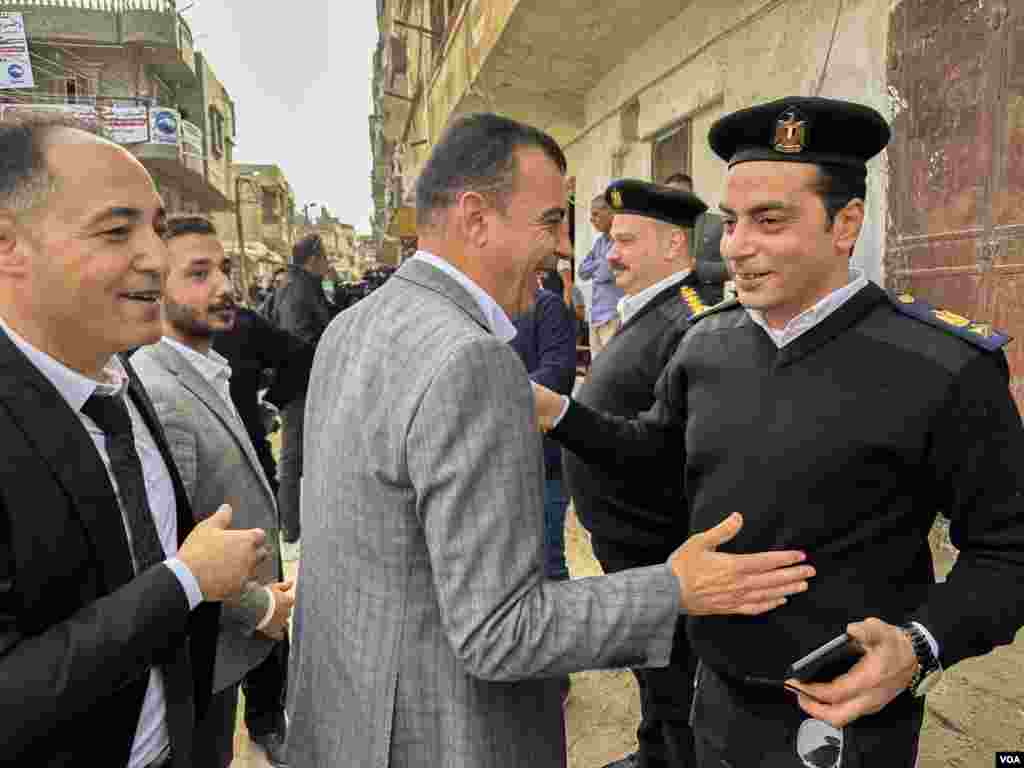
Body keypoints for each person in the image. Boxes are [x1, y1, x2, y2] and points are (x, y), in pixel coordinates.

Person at [285, 112, 815, 768]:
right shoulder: (469, 362)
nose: (565, 248)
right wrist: (673, 588)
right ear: (477, 218)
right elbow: (500, 633)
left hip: (353, 720)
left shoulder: (353, 325)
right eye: (547, 221)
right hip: (442, 734)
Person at [534, 97, 1024, 767]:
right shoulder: (707, 345)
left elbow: (1008, 550)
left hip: (848, 724)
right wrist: (558, 412)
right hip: (716, 700)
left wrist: (920, 645)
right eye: (731, 222)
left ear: (846, 222)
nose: (737, 247)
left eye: (769, 221)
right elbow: (654, 455)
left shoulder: (943, 366)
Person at [0, 118, 268, 767]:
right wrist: (184, 581)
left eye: (157, 226)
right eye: (118, 231)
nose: (155, 257)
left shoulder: (120, 372)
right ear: (9, 246)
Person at [131, 215, 296, 768]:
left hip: (230, 642)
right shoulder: (160, 392)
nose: (225, 286)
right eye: (198, 274)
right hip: (203, 649)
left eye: (223, 269)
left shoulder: (204, 370)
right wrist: (259, 606)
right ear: (156, 287)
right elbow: (170, 550)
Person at [569, 179, 715, 768]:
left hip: (661, 544)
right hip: (630, 540)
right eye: (610, 241)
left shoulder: (693, 320)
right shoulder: (654, 309)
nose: (610, 255)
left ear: (675, 245)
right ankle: (655, 751)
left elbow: (681, 448)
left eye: (625, 240)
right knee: (653, 669)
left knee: (676, 675)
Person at [271, 233, 333, 547]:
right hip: (301, 387)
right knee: (294, 457)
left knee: (303, 455)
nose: (329, 263)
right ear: (313, 258)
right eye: (326, 257)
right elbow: (296, 341)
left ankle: (298, 521)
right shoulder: (298, 289)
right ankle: (291, 526)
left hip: (303, 384)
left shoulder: (296, 286)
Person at [579, 193, 623, 359]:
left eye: (596, 214)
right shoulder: (600, 242)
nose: (592, 219)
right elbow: (582, 272)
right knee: (596, 368)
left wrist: (597, 265)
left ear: (610, 213)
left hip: (612, 315)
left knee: (611, 367)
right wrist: (601, 262)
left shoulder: (619, 240)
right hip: (595, 314)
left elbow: (605, 274)